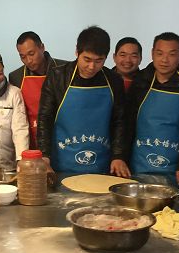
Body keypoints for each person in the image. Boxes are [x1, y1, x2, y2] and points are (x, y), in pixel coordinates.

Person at [37, 26, 128, 179]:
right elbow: (45, 118)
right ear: (77, 52)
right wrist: (44, 156)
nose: (92, 67)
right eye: (87, 59)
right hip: (62, 164)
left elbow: (120, 120)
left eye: (99, 61)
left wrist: (118, 155)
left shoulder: (114, 80)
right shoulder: (57, 76)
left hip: (102, 164)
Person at [125, 32, 179, 190]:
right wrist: (121, 158)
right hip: (137, 165)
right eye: (159, 54)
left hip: (175, 170)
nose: (164, 60)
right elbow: (127, 123)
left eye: (172, 54)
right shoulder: (140, 82)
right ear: (152, 53)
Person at [9, 31, 66, 149]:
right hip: (32, 140)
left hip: (63, 136)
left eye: (31, 54)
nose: (28, 60)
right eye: (22, 56)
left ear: (42, 47)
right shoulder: (16, 76)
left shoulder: (64, 69)